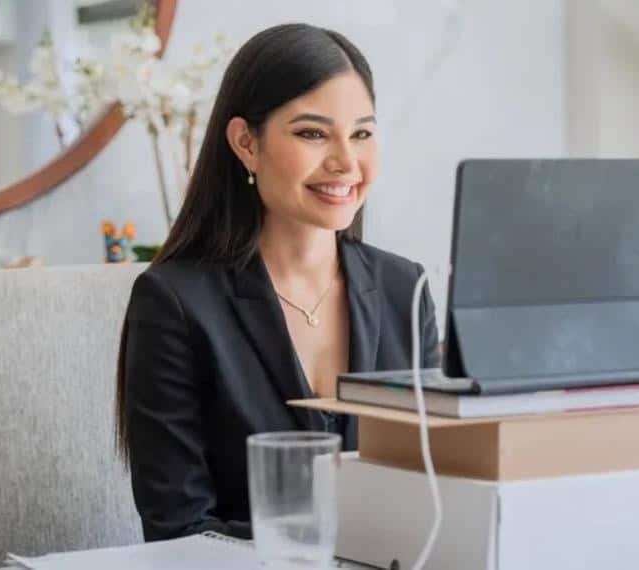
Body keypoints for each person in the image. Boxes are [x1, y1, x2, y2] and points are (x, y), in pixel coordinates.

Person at [115, 23, 441, 541]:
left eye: (361, 133)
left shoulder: (407, 289)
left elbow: (438, 489)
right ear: (246, 142)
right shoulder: (174, 302)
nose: (346, 162)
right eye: (312, 133)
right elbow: (179, 529)